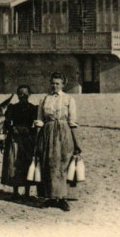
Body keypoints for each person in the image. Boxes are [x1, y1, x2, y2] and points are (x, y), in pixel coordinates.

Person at [34, 72, 82, 212]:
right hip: (48, 132)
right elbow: (40, 120)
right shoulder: (44, 99)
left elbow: (72, 121)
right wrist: (38, 139)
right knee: (47, 163)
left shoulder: (68, 99)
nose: (55, 86)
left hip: (64, 132)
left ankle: (62, 199)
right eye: (53, 83)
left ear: (63, 85)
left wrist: (76, 142)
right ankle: (49, 197)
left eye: (58, 83)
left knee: (63, 163)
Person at [1, 85, 39, 198]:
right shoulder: (13, 108)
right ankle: (15, 192)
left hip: (28, 140)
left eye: (25, 93)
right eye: (20, 93)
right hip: (15, 139)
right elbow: (6, 122)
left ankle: (27, 192)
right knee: (13, 163)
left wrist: (30, 130)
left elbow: (37, 123)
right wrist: (12, 128)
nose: (22, 96)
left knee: (27, 163)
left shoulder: (33, 108)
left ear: (29, 94)